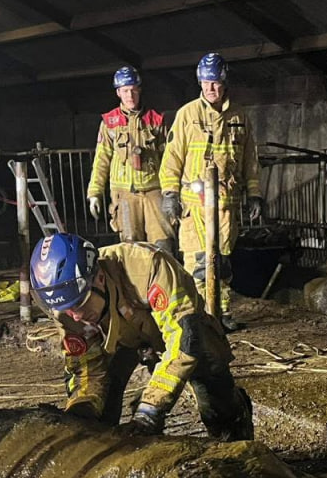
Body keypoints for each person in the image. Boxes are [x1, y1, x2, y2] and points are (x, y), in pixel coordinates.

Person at [30, 233, 253, 440]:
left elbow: (181, 340)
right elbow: (87, 369)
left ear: (99, 278)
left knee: (216, 399)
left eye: (80, 303)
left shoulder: (148, 266)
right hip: (120, 339)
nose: (76, 317)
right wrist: (82, 410)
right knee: (96, 414)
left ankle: (234, 428)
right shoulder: (66, 310)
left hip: (176, 332)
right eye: (67, 310)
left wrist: (150, 409)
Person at [159, 52, 263, 330]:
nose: (210, 88)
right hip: (194, 205)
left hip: (227, 204)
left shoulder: (240, 116)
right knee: (197, 263)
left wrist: (255, 194)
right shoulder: (187, 114)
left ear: (224, 82)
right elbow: (172, 158)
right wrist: (169, 193)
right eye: (206, 83)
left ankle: (222, 312)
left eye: (215, 83)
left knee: (222, 262)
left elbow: (250, 161)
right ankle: (199, 315)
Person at [88, 66, 174, 254]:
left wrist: (172, 192)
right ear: (118, 92)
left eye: (134, 90)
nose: (130, 95)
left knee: (163, 244)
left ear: (140, 90)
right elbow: (101, 160)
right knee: (131, 246)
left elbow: (169, 159)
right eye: (125, 90)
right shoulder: (110, 122)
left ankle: (164, 274)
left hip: (154, 191)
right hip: (124, 194)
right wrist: (95, 192)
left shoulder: (156, 119)